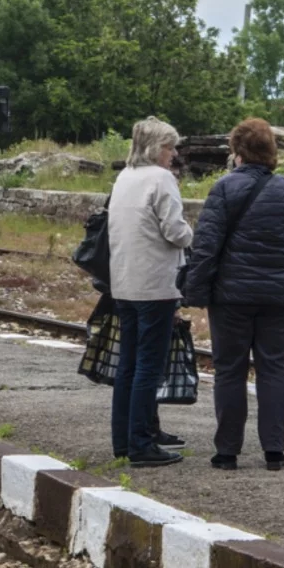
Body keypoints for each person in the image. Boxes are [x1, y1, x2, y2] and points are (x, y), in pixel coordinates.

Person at [181, 118, 284, 472]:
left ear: (237, 153)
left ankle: (227, 452)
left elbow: (206, 247)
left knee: (229, 370)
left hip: (232, 298)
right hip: (279, 297)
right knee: (273, 368)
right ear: (270, 152)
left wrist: (194, 292)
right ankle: (274, 451)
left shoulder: (223, 189)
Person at [106, 117, 194, 468]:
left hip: (124, 281)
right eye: (171, 147)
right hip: (156, 284)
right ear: (158, 149)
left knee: (127, 363)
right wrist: (193, 235)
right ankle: (142, 442)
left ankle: (123, 439)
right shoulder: (161, 179)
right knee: (149, 366)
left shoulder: (124, 177)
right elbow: (174, 230)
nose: (174, 154)